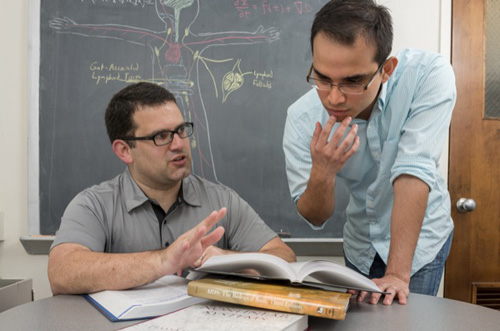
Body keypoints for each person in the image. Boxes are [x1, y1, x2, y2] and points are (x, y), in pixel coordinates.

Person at [283, 0, 456, 305]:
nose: (334, 98)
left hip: (420, 243)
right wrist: (323, 172)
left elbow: (413, 169)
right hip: (360, 244)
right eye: (323, 78)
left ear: (386, 70)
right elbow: (314, 216)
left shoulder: (428, 75)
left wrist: (398, 275)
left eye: (352, 82)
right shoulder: (302, 117)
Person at [48, 82, 295, 295]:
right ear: (124, 150)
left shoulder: (221, 200)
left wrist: (231, 260)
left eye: (180, 130)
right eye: (161, 136)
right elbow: (62, 271)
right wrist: (163, 261)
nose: (178, 144)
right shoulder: (94, 205)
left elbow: (285, 259)